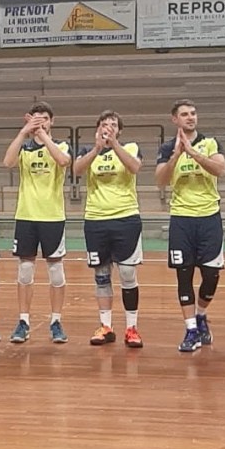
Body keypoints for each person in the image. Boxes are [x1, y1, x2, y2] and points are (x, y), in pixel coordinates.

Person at [154, 99, 225, 352]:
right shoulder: (167, 148)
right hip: (182, 218)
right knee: (183, 274)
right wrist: (177, 155)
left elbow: (220, 169)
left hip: (209, 217)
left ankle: (201, 313)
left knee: (211, 275)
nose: (190, 117)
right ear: (175, 119)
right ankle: (191, 330)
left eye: (193, 113)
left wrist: (193, 153)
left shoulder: (210, 143)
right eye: (184, 114)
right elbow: (161, 180)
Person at [72, 110, 144, 348]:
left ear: (119, 130)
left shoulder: (130, 147)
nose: (108, 127)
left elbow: (134, 167)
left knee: (127, 273)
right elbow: (77, 170)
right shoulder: (87, 150)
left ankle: (132, 328)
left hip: (126, 218)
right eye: (104, 124)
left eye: (113, 124)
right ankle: (106, 326)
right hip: (96, 220)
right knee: (101, 275)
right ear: (98, 128)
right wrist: (96, 148)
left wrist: (114, 145)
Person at [2, 102, 71, 344]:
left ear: (52, 121)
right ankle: (23, 321)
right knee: (25, 271)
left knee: (56, 273)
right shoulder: (25, 148)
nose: (40, 122)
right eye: (36, 118)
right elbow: (7, 162)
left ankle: (56, 321)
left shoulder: (61, 145)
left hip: (52, 217)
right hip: (26, 216)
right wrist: (24, 132)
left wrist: (43, 135)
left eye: (45, 119)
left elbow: (63, 161)